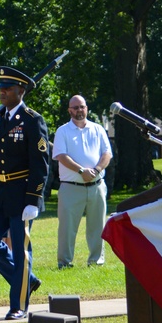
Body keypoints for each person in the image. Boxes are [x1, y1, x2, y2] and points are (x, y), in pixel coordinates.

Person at [0, 66, 49, 320]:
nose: (2, 92)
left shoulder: (32, 120)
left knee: (21, 251)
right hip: (2, 192)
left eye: (7, 88)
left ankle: (19, 305)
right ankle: (27, 280)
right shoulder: (2, 119)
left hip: (22, 193)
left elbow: (40, 164)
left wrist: (33, 199)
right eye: (1, 88)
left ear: (21, 90)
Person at [53, 94, 113, 268]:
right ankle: (64, 262)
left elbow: (107, 153)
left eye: (82, 106)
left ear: (86, 108)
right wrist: (81, 171)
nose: (79, 110)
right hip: (71, 187)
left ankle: (96, 261)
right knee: (67, 228)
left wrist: (97, 170)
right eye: (75, 107)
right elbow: (61, 156)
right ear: (69, 110)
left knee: (98, 226)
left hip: (97, 185)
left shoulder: (98, 129)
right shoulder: (62, 131)